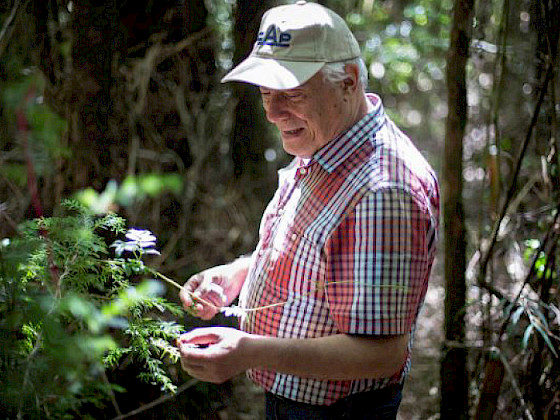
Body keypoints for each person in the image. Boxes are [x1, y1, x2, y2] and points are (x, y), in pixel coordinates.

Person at [177, 2, 440, 419]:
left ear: (348, 82)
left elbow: (382, 353)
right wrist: (239, 273)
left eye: (293, 93)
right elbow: (325, 257)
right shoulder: (325, 143)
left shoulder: (384, 191)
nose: (273, 112)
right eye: (265, 93)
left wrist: (248, 352)